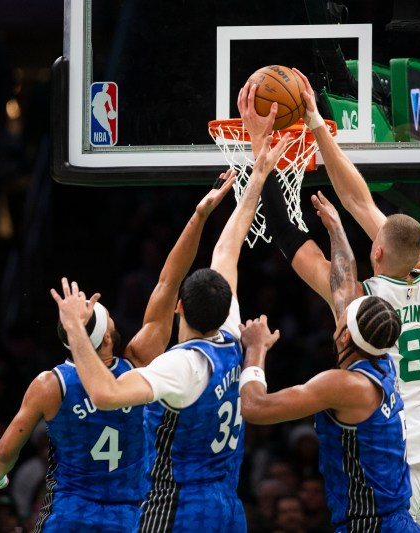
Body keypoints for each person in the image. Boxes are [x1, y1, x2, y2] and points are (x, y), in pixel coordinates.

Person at [239, 72, 420, 532]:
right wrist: (313, 118)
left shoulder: (359, 305)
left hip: (394, 467)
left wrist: (261, 147)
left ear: (376, 249)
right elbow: (359, 201)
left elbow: (295, 240)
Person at [51, 133, 290, 532]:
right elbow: (224, 253)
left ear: (181, 308)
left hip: (176, 505)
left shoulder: (173, 365)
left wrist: (74, 325)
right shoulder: (229, 336)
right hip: (227, 504)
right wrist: (258, 176)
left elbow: (106, 394)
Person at [0, 176, 236, 533]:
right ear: (109, 337)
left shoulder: (49, 385)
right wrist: (198, 217)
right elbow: (168, 282)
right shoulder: (139, 360)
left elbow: (4, 454)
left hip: (67, 515)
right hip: (128, 518)